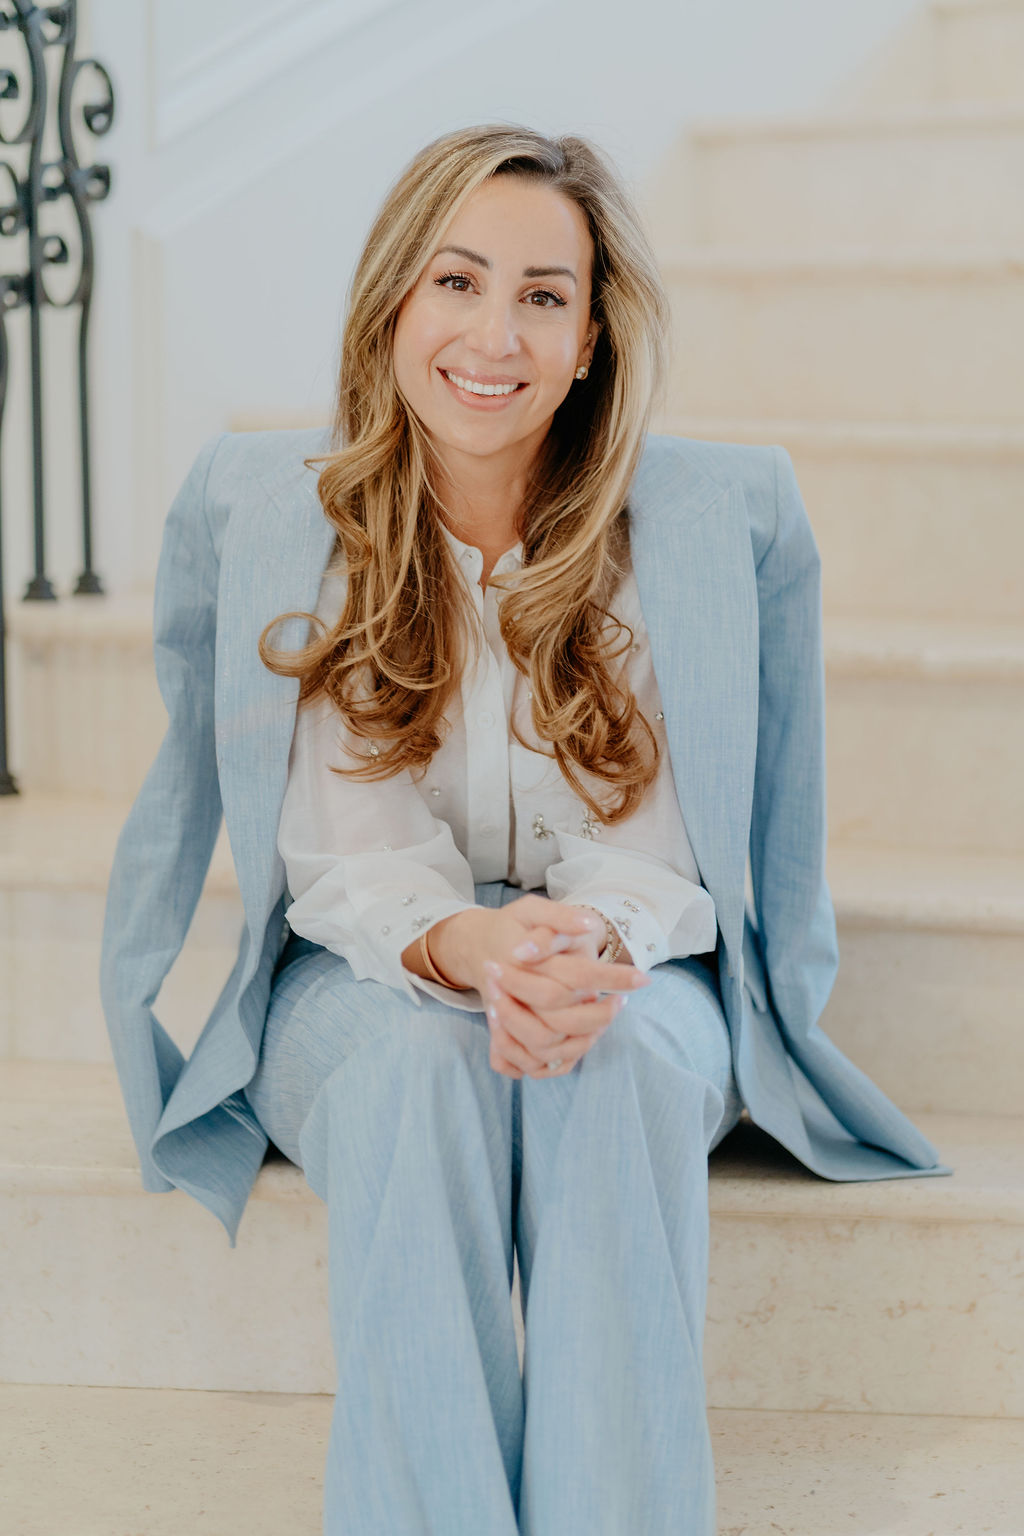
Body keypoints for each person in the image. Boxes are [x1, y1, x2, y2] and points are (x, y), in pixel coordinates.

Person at [100, 123, 951, 1536]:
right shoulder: (291, 521)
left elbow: (666, 849)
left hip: (633, 963)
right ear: (394, 302)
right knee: (416, 1072)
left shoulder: (694, 530)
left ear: (591, 338)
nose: (494, 335)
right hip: (363, 971)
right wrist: (467, 948)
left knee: (610, 1070)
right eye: (457, 281)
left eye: (543, 296)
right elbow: (348, 851)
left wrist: (573, 950)